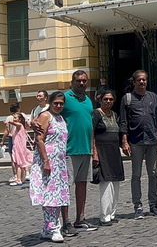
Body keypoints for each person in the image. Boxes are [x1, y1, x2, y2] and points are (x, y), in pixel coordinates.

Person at [118, 69, 157, 219]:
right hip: (136, 141)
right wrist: (124, 141)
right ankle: (137, 206)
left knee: (153, 174)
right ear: (134, 82)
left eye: (144, 80)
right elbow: (123, 121)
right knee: (136, 175)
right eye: (139, 80)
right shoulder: (128, 98)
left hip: (152, 140)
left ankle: (153, 204)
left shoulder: (153, 97)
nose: (142, 82)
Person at [29, 91, 69, 243]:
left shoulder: (60, 118)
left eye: (61, 103)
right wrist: (46, 161)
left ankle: (47, 227)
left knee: (57, 196)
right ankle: (54, 227)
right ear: (50, 103)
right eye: (55, 103)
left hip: (60, 163)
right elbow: (39, 139)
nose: (58, 106)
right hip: (48, 162)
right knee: (50, 196)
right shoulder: (46, 116)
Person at [61, 70, 97, 234]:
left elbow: (90, 127)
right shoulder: (65, 98)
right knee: (65, 187)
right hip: (69, 150)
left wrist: (93, 149)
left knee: (82, 184)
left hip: (86, 150)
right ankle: (65, 222)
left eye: (84, 81)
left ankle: (80, 219)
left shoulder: (88, 100)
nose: (81, 83)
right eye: (78, 81)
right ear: (72, 82)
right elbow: (47, 114)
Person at [92, 90, 125, 226]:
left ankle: (112, 213)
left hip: (114, 151)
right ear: (100, 100)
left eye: (111, 99)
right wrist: (94, 152)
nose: (108, 102)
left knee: (115, 182)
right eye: (105, 99)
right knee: (106, 183)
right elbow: (92, 132)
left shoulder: (115, 115)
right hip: (102, 151)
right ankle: (104, 216)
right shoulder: (96, 114)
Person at [9, 111, 33, 186]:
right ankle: (21, 178)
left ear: (20, 119)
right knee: (21, 164)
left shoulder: (19, 125)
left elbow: (15, 123)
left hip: (18, 148)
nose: (14, 119)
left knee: (18, 164)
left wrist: (9, 121)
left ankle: (18, 179)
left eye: (15, 118)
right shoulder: (19, 127)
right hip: (19, 147)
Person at [0, 104, 20, 184]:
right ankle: (22, 175)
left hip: (12, 138)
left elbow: (6, 131)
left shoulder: (9, 118)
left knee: (13, 158)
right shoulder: (20, 116)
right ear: (18, 109)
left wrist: (2, 141)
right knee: (20, 156)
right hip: (19, 138)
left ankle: (15, 174)